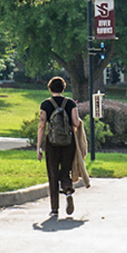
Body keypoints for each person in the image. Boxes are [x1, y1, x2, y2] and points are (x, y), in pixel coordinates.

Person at [37, 76, 80, 216]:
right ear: (63, 88)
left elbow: (42, 125)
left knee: (53, 173)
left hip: (52, 143)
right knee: (65, 169)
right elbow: (76, 123)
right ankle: (68, 190)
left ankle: (54, 208)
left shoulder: (46, 104)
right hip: (68, 142)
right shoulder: (71, 103)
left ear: (50, 88)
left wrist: (39, 146)